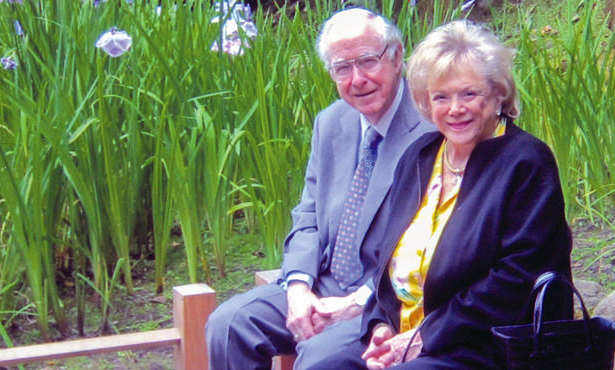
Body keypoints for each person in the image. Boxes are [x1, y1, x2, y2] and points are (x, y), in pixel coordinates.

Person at [306, 19, 574, 370]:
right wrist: (380, 328)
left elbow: (517, 281)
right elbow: (384, 262)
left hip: (485, 346)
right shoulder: (420, 156)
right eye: (441, 97)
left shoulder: (525, 162)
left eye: (469, 94)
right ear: (425, 103)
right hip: (408, 338)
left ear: (498, 94)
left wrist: (424, 337)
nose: (455, 109)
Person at [205, 8, 435, 370]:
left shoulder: (431, 128)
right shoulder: (331, 122)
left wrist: (357, 303)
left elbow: (428, 243)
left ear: (397, 56)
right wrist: (298, 288)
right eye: (343, 67)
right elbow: (308, 215)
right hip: (324, 284)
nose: (357, 79)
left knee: (319, 358)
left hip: (388, 298)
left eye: (368, 61)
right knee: (230, 324)